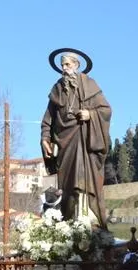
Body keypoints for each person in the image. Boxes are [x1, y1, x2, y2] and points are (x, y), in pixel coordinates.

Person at [40, 51, 112, 225]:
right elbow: (48, 119)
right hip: (64, 143)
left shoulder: (89, 85)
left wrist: (90, 114)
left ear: (76, 65)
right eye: (62, 65)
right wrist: (45, 138)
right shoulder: (57, 89)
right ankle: (68, 220)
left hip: (84, 140)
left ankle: (88, 219)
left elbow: (106, 110)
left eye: (68, 64)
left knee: (83, 179)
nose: (64, 68)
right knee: (66, 184)